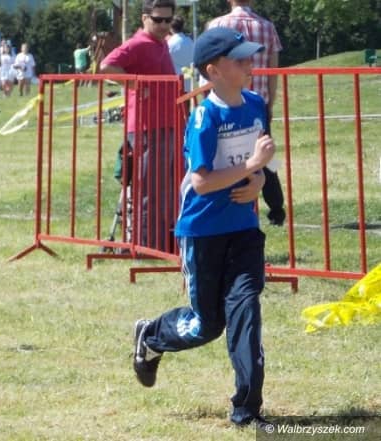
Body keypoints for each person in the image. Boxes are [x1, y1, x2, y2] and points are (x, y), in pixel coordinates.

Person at [132, 27, 276, 429]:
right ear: (213, 71)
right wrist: (250, 167)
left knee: (246, 309)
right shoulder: (203, 117)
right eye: (239, 59)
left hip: (244, 229)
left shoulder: (255, 104)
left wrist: (259, 180)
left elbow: (261, 157)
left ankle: (247, 409)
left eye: (250, 56)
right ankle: (151, 335)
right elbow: (201, 182)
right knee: (206, 325)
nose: (249, 63)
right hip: (203, 230)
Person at [99, 0, 178, 251]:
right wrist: (135, 84)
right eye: (158, 20)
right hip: (148, 127)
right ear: (144, 18)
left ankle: (161, 243)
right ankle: (145, 245)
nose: (163, 25)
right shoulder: (138, 43)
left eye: (168, 20)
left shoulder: (161, 43)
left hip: (166, 124)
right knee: (150, 190)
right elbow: (106, 65)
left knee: (164, 190)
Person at [208, 0, 285, 226]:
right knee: (268, 157)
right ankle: (276, 207)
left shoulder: (216, 25)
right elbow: (273, 71)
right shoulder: (267, 27)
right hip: (258, 104)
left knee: (231, 155)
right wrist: (270, 103)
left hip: (227, 103)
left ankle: (234, 200)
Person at [167, 15, 194, 92]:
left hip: (174, 82)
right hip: (188, 82)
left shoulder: (169, 43)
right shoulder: (190, 41)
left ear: (170, 27)